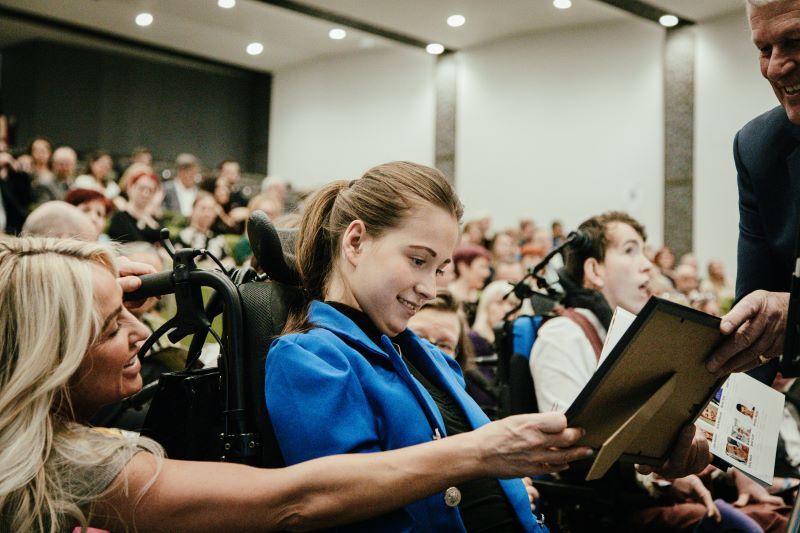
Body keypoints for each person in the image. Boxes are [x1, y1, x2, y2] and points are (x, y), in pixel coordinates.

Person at [0, 236, 594, 531]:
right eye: (110, 327)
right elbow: (294, 500)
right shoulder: (70, 463)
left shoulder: (422, 351)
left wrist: (86, 274)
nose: (139, 333)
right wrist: (479, 453)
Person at [264, 161, 593, 531]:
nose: (430, 289)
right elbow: (333, 502)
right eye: (418, 260)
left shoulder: (430, 355)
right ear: (355, 242)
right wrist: (481, 454)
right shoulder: (308, 357)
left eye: (438, 269)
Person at [529, 211, 786, 531]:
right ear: (594, 270)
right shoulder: (564, 334)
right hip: (613, 510)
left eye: (645, 251)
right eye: (629, 250)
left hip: (664, 494)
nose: (647, 263)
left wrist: (732, 473)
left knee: (780, 512)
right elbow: (569, 444)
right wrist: (663, 478)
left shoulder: (649, 339)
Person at [708, 0, 800, 380]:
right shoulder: (758, 148)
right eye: (764, 50)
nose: (776, 67)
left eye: (794, 40)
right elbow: (755, 326)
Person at [407, 289, 498, 418]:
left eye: (444, 345)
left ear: (457, 354)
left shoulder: (467, 407)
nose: (430, 349)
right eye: (419, 337)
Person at [107, 167, 163, 244]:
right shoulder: (120, 217)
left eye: (150, 190)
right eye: (141, 188)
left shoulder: (155, 218)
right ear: (130, 187)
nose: (145, 194)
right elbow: (135, 240)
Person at [162, 153, 200, 218]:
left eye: (193, 171)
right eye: (186, 171)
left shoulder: (198, 192)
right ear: (179, 171)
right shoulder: (166, 189)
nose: (189, 174)